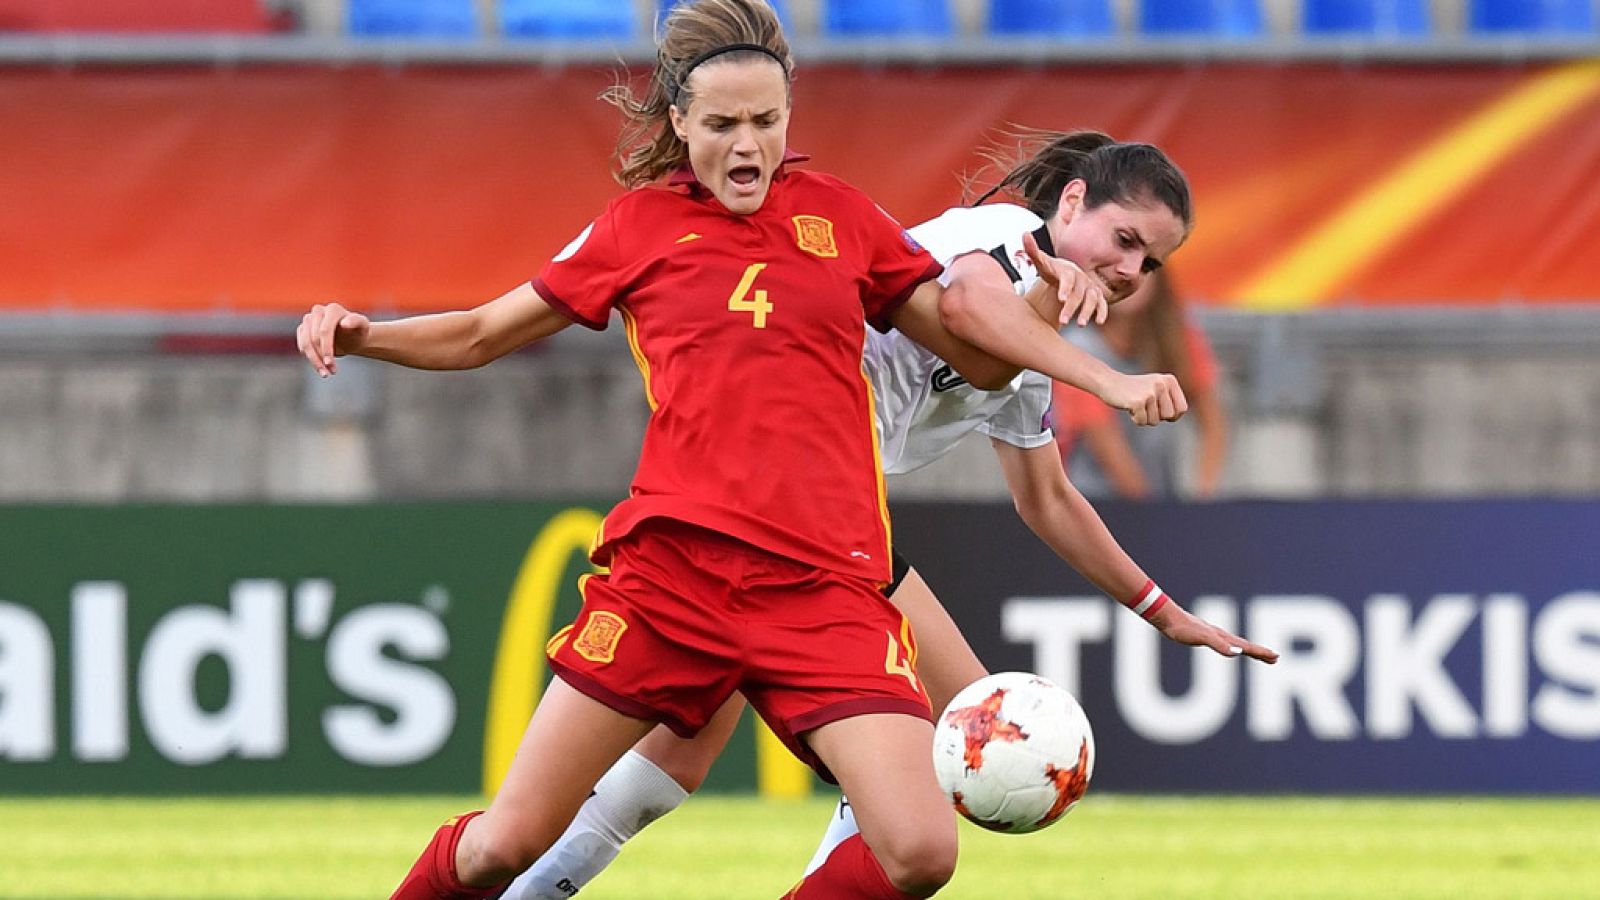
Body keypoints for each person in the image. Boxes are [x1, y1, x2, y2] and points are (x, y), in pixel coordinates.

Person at [296, 4, 1161, 898]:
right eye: (721, 125)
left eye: (767, 121)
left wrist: (1050, 295)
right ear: (677, 121)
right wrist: (365, 336)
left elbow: (975, 353)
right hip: (675, 577)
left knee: (920, 851)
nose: (748, 145)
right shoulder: (635, 228)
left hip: (827, 584)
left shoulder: (842, 219)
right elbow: (479, 332)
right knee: (499, 848)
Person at [499, 130, 1279, 900]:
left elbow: (1046, 499)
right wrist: (1108, 382)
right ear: (1071, 201)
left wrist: (1162, 612)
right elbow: (973, 307)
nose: (1131, 270)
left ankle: (518, 889)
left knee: (684, 756)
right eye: (1125, 239)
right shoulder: (1000, 238)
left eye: (1151, 261)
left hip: (804, 520)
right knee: (967, 735)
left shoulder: (1032, 359)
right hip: (783, 508)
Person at [1054, 267, 1230, 499]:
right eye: (1124, 244)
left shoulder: (1177, 337)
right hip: (1092, 505)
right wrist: (1157, 517)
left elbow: (1214, 425)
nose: (1130, 272)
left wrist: (1202, 498)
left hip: (1159, 501)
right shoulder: (1077, 347)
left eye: (1146, 263)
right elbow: (1109, 453)